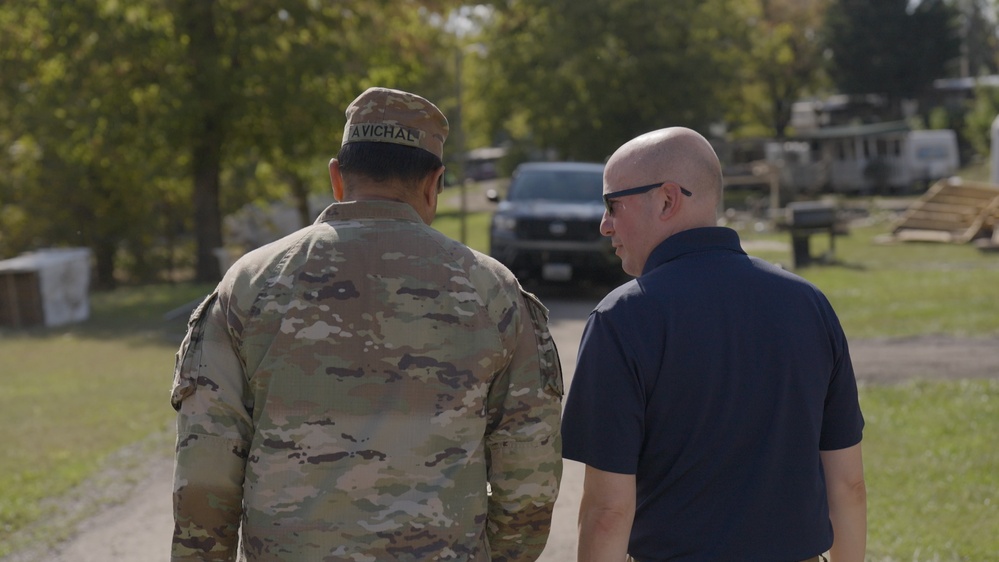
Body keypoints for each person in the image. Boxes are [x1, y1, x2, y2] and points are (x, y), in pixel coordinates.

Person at [170, 87, 563, 561]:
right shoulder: (491, 290)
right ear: (433, 182)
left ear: (337, 178)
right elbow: (528, 471)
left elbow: (205, 471)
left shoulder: (251, 283)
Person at [560, 127, 866, 562]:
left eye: (613, 204)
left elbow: (608, 512)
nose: (604, 224)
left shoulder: (622, 319)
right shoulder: (809, 304)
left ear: (667, 199)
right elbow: (848, 487)